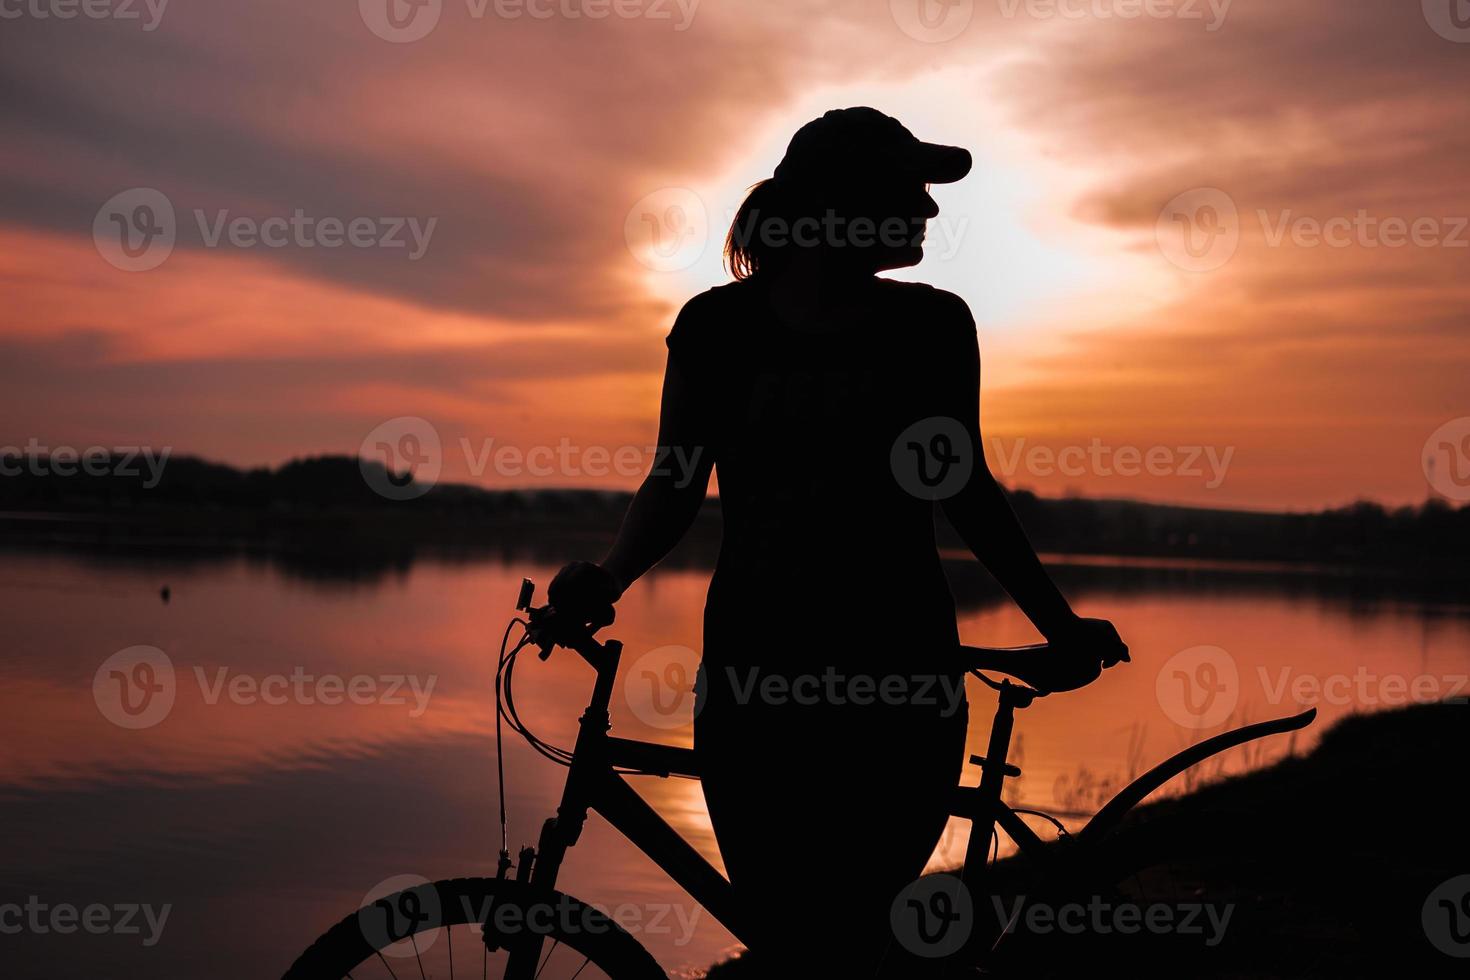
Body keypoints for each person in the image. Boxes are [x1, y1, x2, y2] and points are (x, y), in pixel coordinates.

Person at [550, 107, 1128, 975]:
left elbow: (965, 490)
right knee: (789, 938)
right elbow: (674, 486)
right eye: (910, 190)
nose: (929, 212)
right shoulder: (716, 329)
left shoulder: (933, 326)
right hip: (755, 676)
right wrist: (608, 575)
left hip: (898, 678)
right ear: (836, 204)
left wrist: (1061, 624)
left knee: (853, 939)